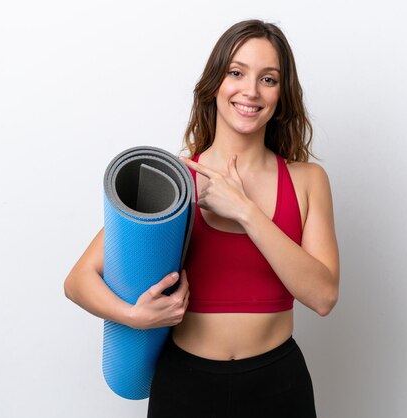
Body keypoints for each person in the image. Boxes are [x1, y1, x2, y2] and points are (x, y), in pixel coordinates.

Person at [64, 19, 340, 418]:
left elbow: (323, 296)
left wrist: (245, 210)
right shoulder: (175, 181)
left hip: (278, 386)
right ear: (215, 84)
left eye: (268, 78)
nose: (250, 90)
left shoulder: (308, 181)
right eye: (236, 72)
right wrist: (134, 317)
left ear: (282, 94)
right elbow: (77, 281)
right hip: (184, 387)